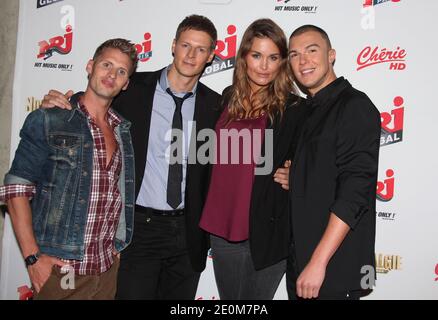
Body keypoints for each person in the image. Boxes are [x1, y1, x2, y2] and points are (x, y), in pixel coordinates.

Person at [40, 15, 221, 300]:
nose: (191, 55)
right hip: (138, 228)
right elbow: (95, 102)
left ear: (211, 55)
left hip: (187, 233)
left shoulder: (216, 105)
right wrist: (63, 104)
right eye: (186, 45)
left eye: (201, 49)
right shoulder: (133, 87)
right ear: (173, 45)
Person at [0, 38, 138, 299]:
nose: (112, 75)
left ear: (126, 83)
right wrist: (33, 258)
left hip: (106, 271)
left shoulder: (122, 130)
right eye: (106, 64)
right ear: (89, 66)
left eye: (121, 71)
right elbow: (16, 188)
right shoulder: (50, 117)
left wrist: (117, 249)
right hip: (63, 270)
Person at [198, 18, 307, 300]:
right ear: (244, 56)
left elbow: (313, 157)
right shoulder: (226, 98)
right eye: (256, 55)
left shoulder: (294, 108)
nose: (264, 65)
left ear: (282, 62)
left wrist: (296, 171)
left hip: (268, 230)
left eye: (273, 57)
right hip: (222, 226)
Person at [286, 25, 381, 300]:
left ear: (332, 55)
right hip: (301, 265)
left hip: (332, 270)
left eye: (312, 50)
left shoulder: (354, 107)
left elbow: (354, 193)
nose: (303, 61)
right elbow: (325, 173)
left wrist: (318, 262)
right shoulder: (307, 111)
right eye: (294, 54)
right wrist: (294, 176)